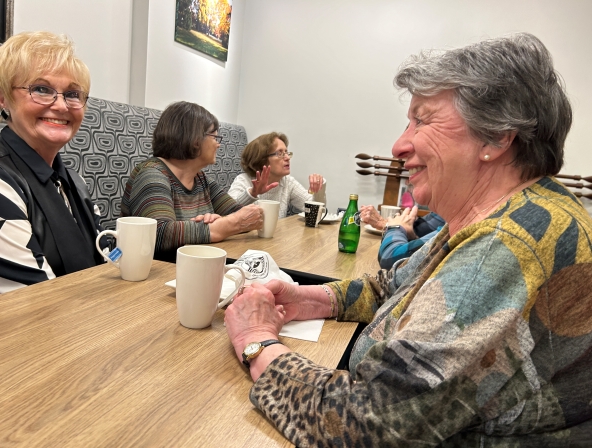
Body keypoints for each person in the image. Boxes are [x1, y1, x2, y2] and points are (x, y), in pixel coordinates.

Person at [224, 33, 592, 446]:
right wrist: (308, 298)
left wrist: (256, 340)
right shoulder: (504, 214)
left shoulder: (506, 245)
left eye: (423, 120)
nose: (399, 145)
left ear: (497, 136)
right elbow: (398, 285)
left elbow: (369, 427)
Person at [0, 31, 107, 293]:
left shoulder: (74, 182)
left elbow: (107, 255)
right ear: (3, 99)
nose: (61, 106)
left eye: (72, 93)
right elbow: (39, 301)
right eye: (41, 89)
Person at [120, 101, 263, 261]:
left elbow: (243, 217)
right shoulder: (151, 174)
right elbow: (159, 233)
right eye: (214, 137)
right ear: (195, 140)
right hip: (155, 271)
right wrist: (225, 225)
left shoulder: (201, 179)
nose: (218, 144)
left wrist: (218, 221)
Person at [227, 132, 326, 218]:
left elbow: (317, 212)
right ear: (261, 159)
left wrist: (319, 188)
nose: (287, 158)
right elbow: (227, 212)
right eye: (280, 153)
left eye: (287, 152)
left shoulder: (287, 182)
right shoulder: (243, 180)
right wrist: (252, 192)